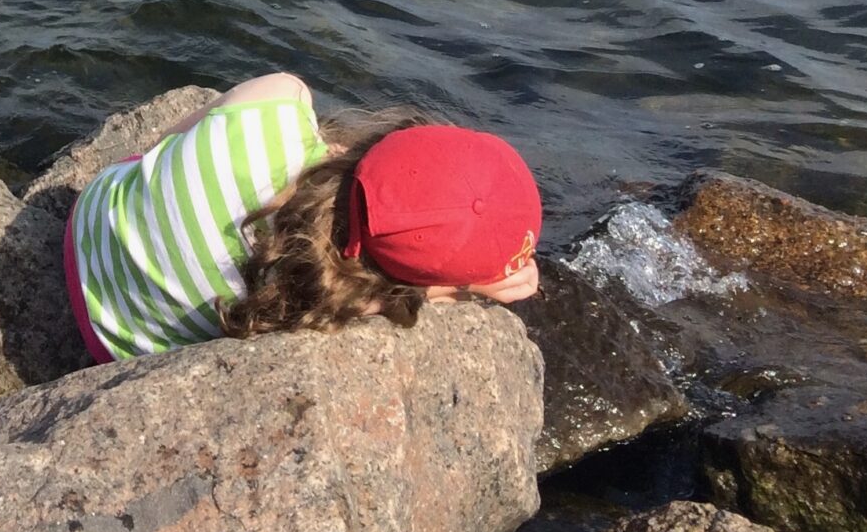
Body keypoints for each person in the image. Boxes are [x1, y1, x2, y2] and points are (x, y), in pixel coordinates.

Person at [63, 72, 541, 361]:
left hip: (89, 222)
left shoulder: (280, 101)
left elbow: (161, 145)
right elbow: (414, 283)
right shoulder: (341, 297)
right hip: (120, 347)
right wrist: (466, 283)